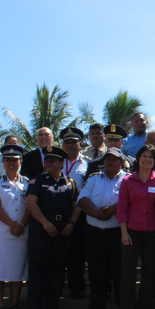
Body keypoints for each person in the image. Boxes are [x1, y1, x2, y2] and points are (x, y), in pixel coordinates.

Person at [25, 146, 81, 309]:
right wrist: (44, 222)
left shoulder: (70, 183)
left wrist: (71, 223)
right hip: (41, 228)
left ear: (61, 163)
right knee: (38, 269)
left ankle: (53, 308)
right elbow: (31, 203)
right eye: (47, 160)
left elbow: (76, 206)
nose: (48, 163)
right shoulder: (37, 180)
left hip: (62, 229)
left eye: (53, 160)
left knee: (57, 269)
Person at [117, 145, 155, 309]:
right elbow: (122, 208)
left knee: (149, 272)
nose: (147, 160)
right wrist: (124, 232)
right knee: (127, 273)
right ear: (138, 159)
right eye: (144, 156)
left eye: (151, 157)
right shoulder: (127, 181)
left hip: (152, 233)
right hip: (131, 232)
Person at [78, 148, 127, 309]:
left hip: (117, 233)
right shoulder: (94, 179)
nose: (111, 162)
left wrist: (112, 210)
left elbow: (130, 202)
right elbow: (82, 199)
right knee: (96, 273)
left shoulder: (127, 180)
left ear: (121, 162)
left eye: (115, 159)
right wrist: (97, 214)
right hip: (95, 233)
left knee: (120, 273)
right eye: (108, 159)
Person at [0, 144, 30, 309]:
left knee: (17, 271)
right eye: (7, 160)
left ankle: (14, 305)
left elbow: (31, 206)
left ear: (21, 162)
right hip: (0, 234)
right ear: (3, 163)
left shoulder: (28, 183)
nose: (11, 163)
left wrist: (21, 225)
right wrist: (12, 224)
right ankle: (0, 306)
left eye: (15, 160)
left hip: (21, 233)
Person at [60, 126, 89, 299]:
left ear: (80, 144)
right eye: (67, 142)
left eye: (74, 142)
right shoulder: (57, 162)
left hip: (80, 213)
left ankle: (77, 287)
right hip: (60, 211)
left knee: (77, 253)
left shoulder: (87, 163)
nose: (71, 145)